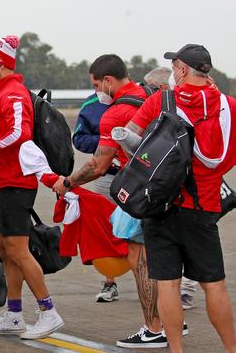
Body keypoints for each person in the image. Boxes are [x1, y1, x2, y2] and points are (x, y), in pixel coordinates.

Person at [125, 44, 236, 353]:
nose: (173, 73)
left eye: (174, 68)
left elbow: (131, 141)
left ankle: (176, 350)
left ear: (185, 70)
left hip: (160, 205)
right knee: (214, 284)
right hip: (204, 206)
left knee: (168, 284)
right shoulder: (230, 107)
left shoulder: (162, 100)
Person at [53, 54, 168, 348]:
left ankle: (154, 329)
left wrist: (68, 182)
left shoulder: (115, 114)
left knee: (139, 256)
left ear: (107, 80)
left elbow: (99, 165)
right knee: (164, 258)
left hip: (142, 188)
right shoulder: (150, 95)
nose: (96, 92)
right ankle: (173, 320)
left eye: (96, 85)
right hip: (169, 187)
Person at [0, 35, 64, 339]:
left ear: (0, 64)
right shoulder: (2, 92)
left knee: (18, 249)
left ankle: (48, 311)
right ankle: (14, 313)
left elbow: (20, 133)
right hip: (1, 182)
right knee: (5, 249)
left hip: (16, 183)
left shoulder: (13, 94)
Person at [144, 66, 200, 311]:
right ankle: (183, 291)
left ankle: (184, 292)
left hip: (184, 191)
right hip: (188, 191)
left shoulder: (171, 106)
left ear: (164, 89)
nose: (148, 93)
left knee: (184, 248)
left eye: (152, 89)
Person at [72, 92, 119, 303]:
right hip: (106, 176)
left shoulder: (137, 99)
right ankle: (110, 282)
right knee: (106, 230)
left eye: (98, 83)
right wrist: (107, 140)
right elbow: (79, 139)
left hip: (138, 177)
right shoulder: (92, 104)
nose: (98, 88)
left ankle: (154, 282)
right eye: (94, 84)